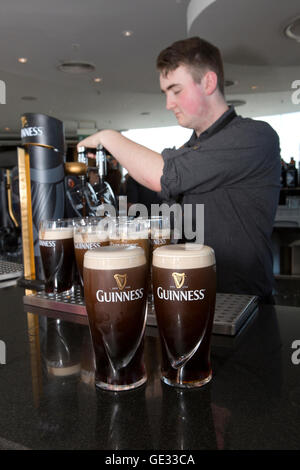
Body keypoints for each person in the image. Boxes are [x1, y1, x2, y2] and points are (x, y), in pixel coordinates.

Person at [77, 36, 281, 302]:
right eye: (166, 93)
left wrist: (108, 136)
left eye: (176, 90)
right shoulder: (191, 148)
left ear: (208, 82)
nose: (169, 104)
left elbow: (163, 175)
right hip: (189, 295)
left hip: (242, 303)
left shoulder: (254, 137)